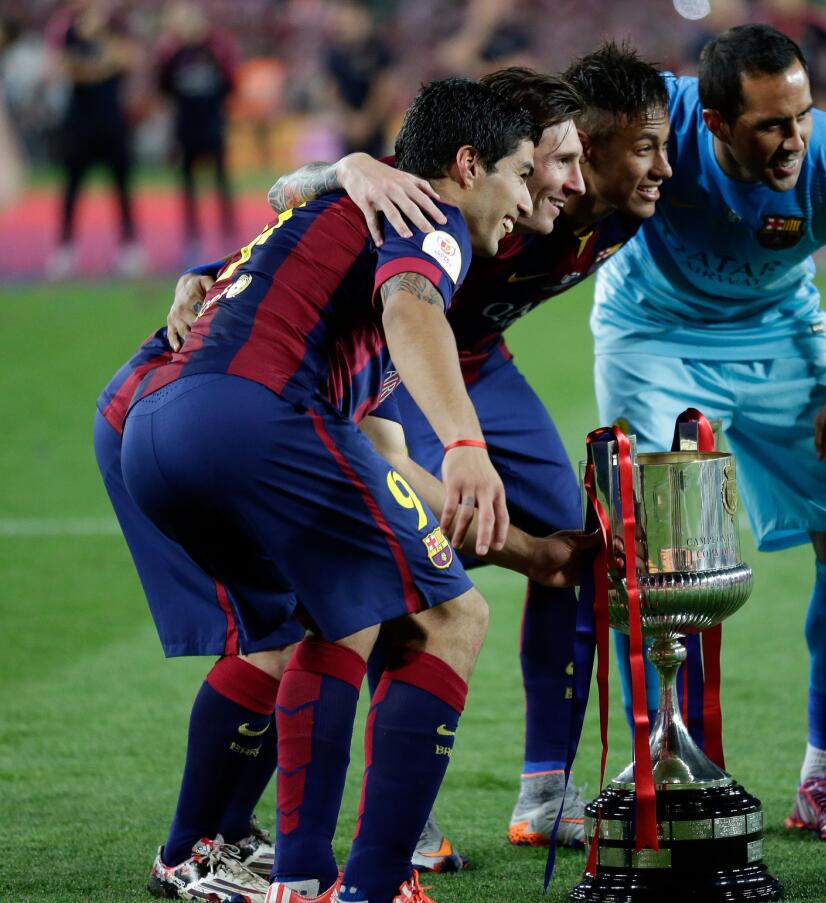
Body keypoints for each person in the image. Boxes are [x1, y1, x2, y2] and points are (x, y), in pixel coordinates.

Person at [118, 77, 535, 903]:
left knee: (316, 614)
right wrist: (463, 443)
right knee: (454, 612)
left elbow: (374, 436)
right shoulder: (431, 214)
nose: (524, 197)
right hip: (250, 414)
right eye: (522, 171)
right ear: (466, 164)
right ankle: (366, 885)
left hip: (149, 428)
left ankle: (235, 857)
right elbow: (414, 307)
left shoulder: (339, 205)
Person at [265, 45, 671, 853]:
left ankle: (546, 790)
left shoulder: (629, 203)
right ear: (579, 152)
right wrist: (344, 165)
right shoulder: (495, 184)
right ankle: (403, 812)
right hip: (398, 365)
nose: (665, 166)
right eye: (646, 148)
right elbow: (299, 193)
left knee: (571, 536)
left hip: (480, 360)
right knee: (408, 549)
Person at [592, 24, 826, 843]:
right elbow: (561, 128)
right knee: (657, 558)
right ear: (717, 123)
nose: (794, 137)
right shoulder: (660, 120)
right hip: (652, 330)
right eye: (771, 123)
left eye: (801, 114)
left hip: (779, 331)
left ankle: (823, 776)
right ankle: (661, 768)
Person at [44, 0, 141, 279]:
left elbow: (130, 58)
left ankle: (129, 248)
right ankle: (65, 249)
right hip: (79, 120)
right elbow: (58, 66)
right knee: (72, 187)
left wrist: (93, 58)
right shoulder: (66, 25)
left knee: (122, 186)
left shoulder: (118, 24)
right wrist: (100, 64)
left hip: (112, 119)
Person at [155, 0, 239, 254]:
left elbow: (231, 81)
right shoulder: (172, 52)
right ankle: (192, 239)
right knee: (188, 186)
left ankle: (228, 235)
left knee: (221, 182)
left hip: (212, 125)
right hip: (185, 128)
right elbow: (162, 85)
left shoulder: (216, 47)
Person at [322, 0, 396, 157]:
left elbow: (384, 90)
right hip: (346, 130)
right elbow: (330, 91)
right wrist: (348, 122)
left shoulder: (379, 48)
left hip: (375, 130)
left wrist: (366, 122)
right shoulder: (334, 52)